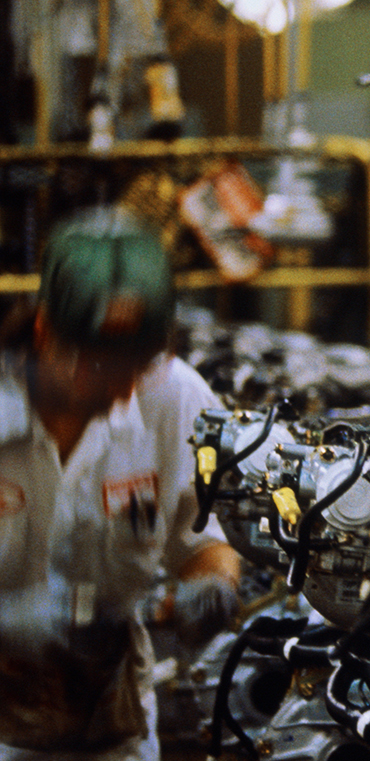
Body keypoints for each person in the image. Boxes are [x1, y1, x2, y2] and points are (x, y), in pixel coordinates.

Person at [0, 210, 239, 761]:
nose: (124, 386)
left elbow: (205, 539)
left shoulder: (174, 398)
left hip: (114, 729)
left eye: (140, 362)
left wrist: (214, 586)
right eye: (99, 365)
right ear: (44, 331)